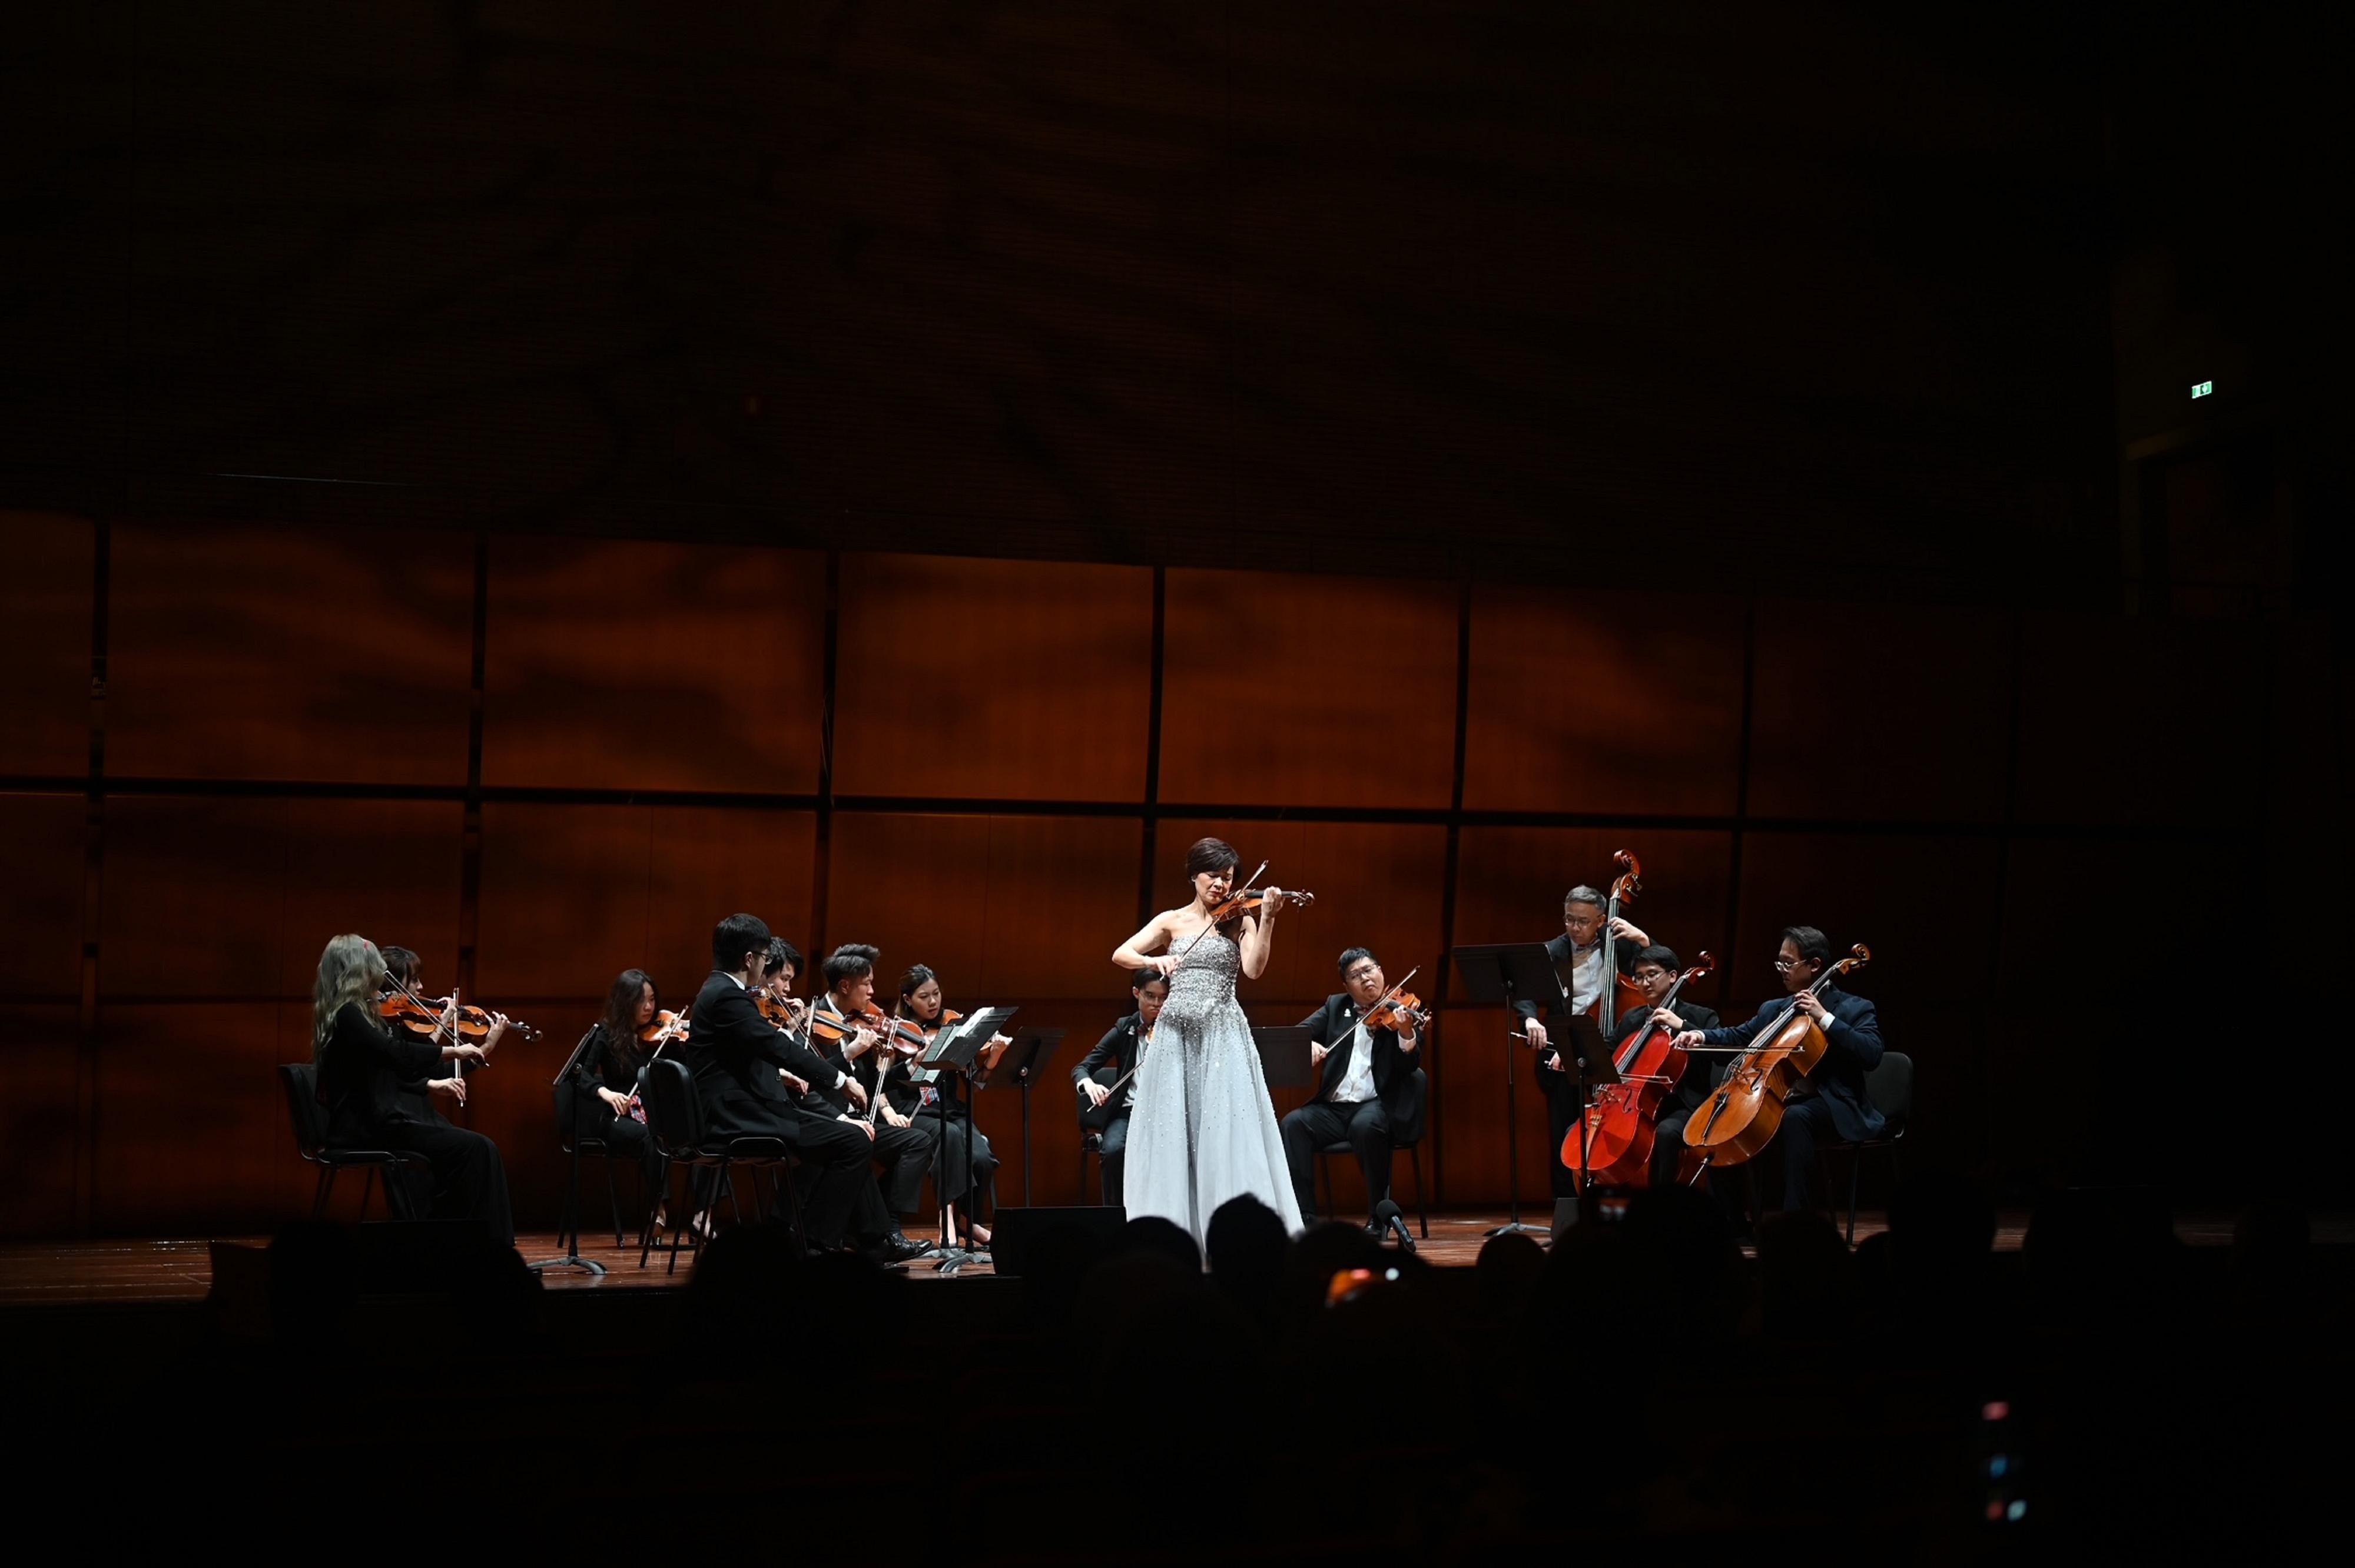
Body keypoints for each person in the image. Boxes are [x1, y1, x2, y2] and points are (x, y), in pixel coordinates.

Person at [684, 914, 922, 1262]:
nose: (766, 966)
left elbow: (753, 1054)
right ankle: (815, 1244)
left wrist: (785, 1075)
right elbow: (776, 1047)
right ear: (749, 959)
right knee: (853, 1141)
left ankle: (863, 1241)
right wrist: (840, 1079)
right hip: (735, 1118)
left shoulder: (718, 991)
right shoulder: (727, 997)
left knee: (851, 1138)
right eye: (765, 958)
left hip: (740, 1109)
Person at [1110, 837, 1305, 1245]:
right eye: (1213, 876)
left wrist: (1267, 919)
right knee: (1174, 1130)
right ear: (1193, 876)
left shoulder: (1239, 919)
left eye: (1228, 878)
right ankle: (1174, 1237)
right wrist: (1154, 960)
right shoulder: (1172, 921)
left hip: (1222, 1032)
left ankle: (1233, 1238)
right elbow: (1121, 954)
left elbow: (1254, 969)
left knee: (1224, 1129)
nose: (1221, 885)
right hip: (1175, 1034)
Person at [1665, 925, 1883, 1213]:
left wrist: (1824, 1017)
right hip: (1775, 1099)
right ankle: (1732, 1225)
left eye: (1788, 963)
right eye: (1779, 963)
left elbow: (1871, 1054)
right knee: (1722, 1129)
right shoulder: (1775, 1009)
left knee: (1796, 1117)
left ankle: (1795, 1219)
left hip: (1830, 1104)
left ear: (1815, 965)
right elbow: (1740, 1036)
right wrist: (1700, 1036)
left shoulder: (1855, 1008)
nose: (1782, 971)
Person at [313, 934, 515, 1246]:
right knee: (475, 1149)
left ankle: (459, 1241)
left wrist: (482, 1048)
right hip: (365, 1127)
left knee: (475, 1149)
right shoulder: (348, 1015)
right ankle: (481, 1246)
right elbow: (396, 1054)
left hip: (381, 1121)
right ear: (357, 971)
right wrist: (453, 1050)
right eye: (373, 969)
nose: (380, 978)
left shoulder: (361, 1012)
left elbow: (408, 1067)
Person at [1512, 884, 1652, 1202]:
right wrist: (1530, 1020)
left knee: (1613, 1131)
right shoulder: (1551, 951)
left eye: (1583, 921)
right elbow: (1524, 991)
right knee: (1564, 1132)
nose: (1574, 927)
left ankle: (1616, 1200)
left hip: (1611, 1048)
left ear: (1602, 920)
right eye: (1569, 919)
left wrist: (1644, 941)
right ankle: (1568, 1208)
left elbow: (1659, 968)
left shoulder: (1621, 946)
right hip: (1562, 1049)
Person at [1279, 946, 1427, 1234]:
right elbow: (1297, 1035)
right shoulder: (1336, 1006)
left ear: (1380, 971)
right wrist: (1307, 1045)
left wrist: (1406, 1032)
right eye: (1356, 976)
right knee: (1293, 1124)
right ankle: (1305, 1218)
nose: (1366, 978)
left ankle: (1378, 1218)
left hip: (1378, 1104)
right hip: (1334, 1109)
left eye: (1369, 970)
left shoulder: (1402, 1008)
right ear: (1347, 986)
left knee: (1365, 1126)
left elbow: (1410, 1065)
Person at [801, 945, 936, 1257]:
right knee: (858, 1141)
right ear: (845, 986)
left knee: (919, 1141)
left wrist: (906, 1065)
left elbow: (874, 1086)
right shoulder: (812, 1022)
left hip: (861, 1118)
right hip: (828, 1118)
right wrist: (850, 1053)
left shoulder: (861, 1022)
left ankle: (888, 1225)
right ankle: (878, 1238)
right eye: (867, 984)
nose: (873, 992)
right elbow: (811, 1083)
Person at [893, 964, 1004, 1248]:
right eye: (924, 997)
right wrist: (915, 1060)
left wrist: (993, 1058)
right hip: (913, 1110)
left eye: (936, 993)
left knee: (981, 1156)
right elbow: (887, 1081)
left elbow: (975, 1082)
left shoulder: (953, 1026)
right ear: (907, 999)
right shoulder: (897, 1032)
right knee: (950, 1136)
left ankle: (967, 1220)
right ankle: (948, 1218)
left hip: (950, 1110)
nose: (933, 1002)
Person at [1606, 945, 1721, 1187]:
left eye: (1652, 974)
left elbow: (1720, 1055)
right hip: (1639, 1105)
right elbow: (1607, 1050)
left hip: (1685, 1106)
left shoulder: (1702, 1017)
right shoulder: (1632, 1018)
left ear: (1673, 976)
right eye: (1639, 977)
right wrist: (1573, 1053)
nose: (1645, 982)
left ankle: (1662, 1203)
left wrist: (1682, 1026)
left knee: (1666, 1133)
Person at [560, 968, 666, 1214]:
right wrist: (604, 1092)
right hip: (617, 1117)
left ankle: (702, 1214)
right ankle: (658, 1206)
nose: (649, 1007)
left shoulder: (658, 1036)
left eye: (652, 1000)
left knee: (693, 1133)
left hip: (651, 1114)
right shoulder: (605, 1034)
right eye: (641, 1000)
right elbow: (578, 1073)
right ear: (625, 1001)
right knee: (652, 1138)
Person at [1074, 972, 1167, 1206]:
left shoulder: (1176, 1031)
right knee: (1113, 1151)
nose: (1157, 1004)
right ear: (1137, 993)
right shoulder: (1125, 1028)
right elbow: (1082, 1068)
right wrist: (1089, 1084)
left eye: (1163, 998)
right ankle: (1116, 1216)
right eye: (1150, 996)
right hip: (1127, 1112)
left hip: (1166, 1112)